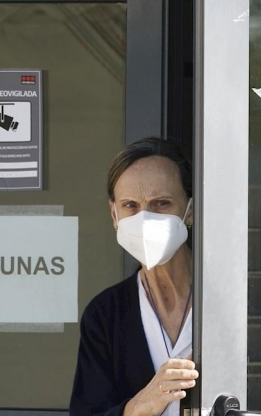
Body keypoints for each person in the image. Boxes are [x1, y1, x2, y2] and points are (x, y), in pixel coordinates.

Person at [70, 137, 199, 416]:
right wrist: (137, 407)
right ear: (114, 215)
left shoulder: (230, 300)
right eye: (130, 205)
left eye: (161, 203)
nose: (145, 219)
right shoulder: (105, 315)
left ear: (190, 210)